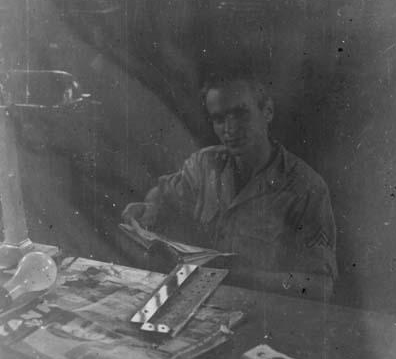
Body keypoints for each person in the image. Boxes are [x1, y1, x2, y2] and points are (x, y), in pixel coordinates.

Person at [122, 70, 337, 299]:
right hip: (198, 300)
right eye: (219, 119)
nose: (230, 129)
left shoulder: (305, 187)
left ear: (267, 111)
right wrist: (151, 207)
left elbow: (320, 286)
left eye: (241, 114)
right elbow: (162, 192)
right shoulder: (204, 164)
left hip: (260, 312)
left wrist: (239, 276)